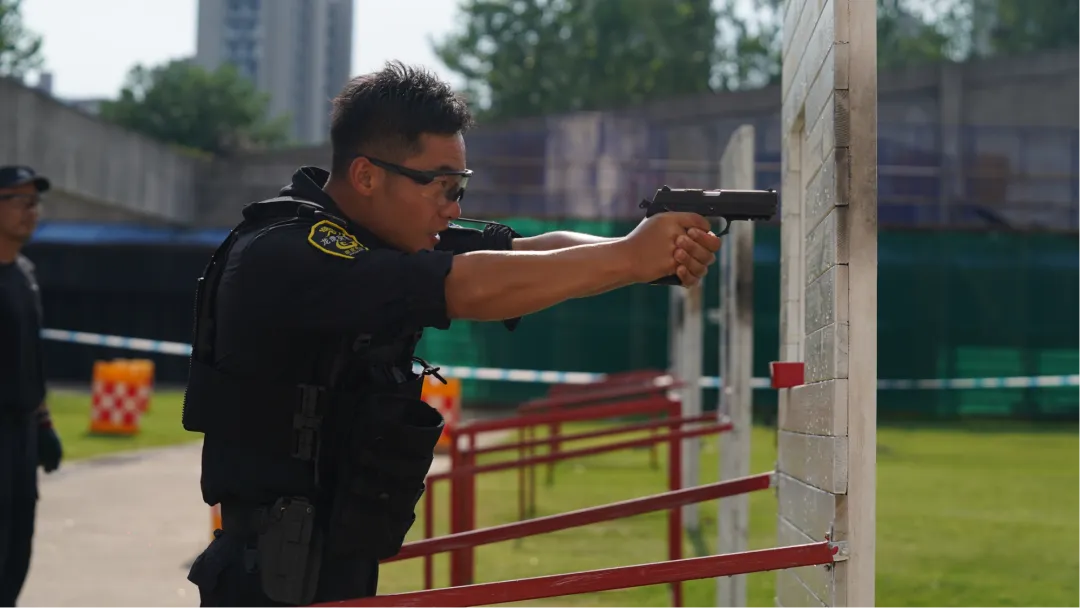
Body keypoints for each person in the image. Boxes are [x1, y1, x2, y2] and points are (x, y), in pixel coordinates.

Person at [181, 61, 721, 607]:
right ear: (366, 176)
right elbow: (468, 285)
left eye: (460, 186)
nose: (454, 207)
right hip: (270, 576)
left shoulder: (376, 235)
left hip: (326, 559)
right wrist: (630, 256)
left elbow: (527, 251)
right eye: (441, 187)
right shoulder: (291, 251)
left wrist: (647, 256)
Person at [0, 165, 63, 608]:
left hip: (21, 436)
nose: (31, 211)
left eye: (35, 202)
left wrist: (44, 424)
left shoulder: (25, 273)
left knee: (15, 549)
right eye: (19, 201)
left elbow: (31, 358)